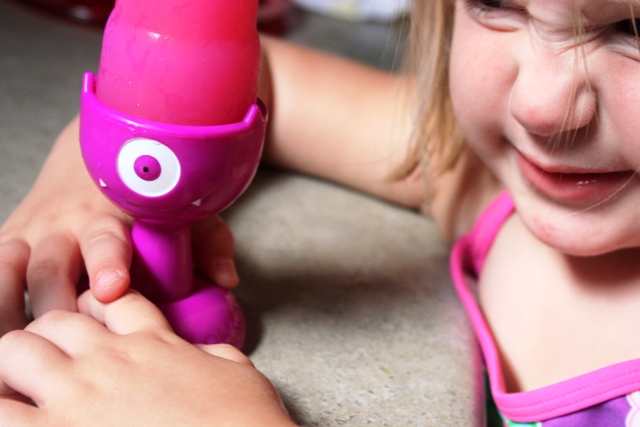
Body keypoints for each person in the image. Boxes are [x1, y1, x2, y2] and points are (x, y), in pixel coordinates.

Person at [2, 0, 640, 424]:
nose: (540, 108)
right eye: (498, 2)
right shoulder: (490, 181)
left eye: (632, 29)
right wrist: (100, 182)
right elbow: (251, 72)